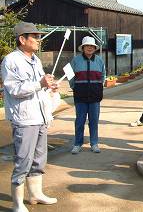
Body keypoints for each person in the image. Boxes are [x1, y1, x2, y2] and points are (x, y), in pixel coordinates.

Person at [1, 22, 58, 211]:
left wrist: (49, 86)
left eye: (39, 36)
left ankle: (36, 195)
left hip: (40, 117)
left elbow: (38, 86)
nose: (38, 40)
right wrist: (39, 83)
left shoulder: (36, 60)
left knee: (39, 158)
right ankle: (18, 203)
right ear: (22, 39)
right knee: (23, 160)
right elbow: (14, 89)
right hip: (24, 119)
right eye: (34, 36)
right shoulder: (11, 61)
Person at [69, 36, 106, 154]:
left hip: (95, 96)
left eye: (92, 46)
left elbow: (103, 76)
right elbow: (70, 76)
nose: (89, 48)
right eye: (87, 46)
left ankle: (94, 143)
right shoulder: (76, 60)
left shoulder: (99, 60)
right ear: (83, 48)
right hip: (80, 96)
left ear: (94, 48)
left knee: (94, 121)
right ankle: (77, 144)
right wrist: (74, 87)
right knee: (80, 120)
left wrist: (99, 87)